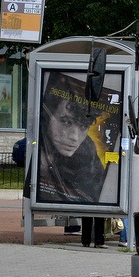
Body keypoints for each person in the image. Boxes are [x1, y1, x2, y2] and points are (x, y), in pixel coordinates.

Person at [37, 72, 108, 203]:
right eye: (66, 122)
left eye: (83, 127)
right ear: (47, 116)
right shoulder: (38, 147)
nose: (74, 137)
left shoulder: (88, 152)